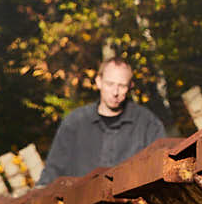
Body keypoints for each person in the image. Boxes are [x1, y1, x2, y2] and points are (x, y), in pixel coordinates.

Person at [38, 58, 170, 183]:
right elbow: (52, 171)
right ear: (98, 82)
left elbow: (161, 168)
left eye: (122, 86)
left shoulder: (147, 123)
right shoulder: (75, 122)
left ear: (130, 86)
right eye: (110, 84)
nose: (115, 92)